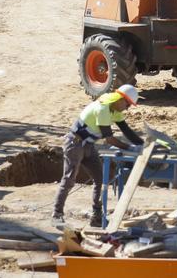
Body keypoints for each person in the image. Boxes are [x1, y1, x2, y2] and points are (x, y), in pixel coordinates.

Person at [52, 84, 143, 227]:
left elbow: (127, 131)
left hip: (88, 145)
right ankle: (57, 214)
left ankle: (96, 216)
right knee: (69, 179)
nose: (127, 108)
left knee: (100, 179)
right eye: (128, 104)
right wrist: (132, 148)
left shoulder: (115, 110)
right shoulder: (103, 109)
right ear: (120, 99)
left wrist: (143, 144)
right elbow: (109, 139)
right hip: (74, 144)